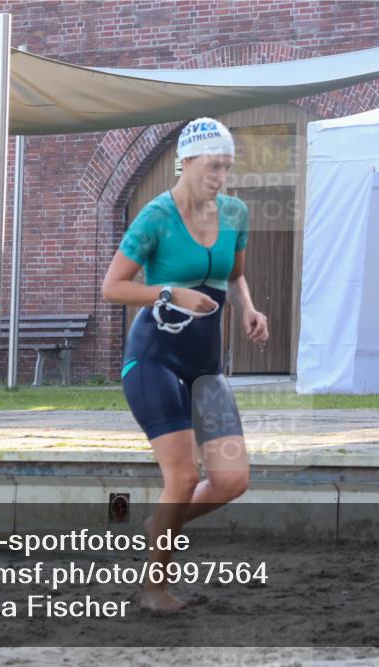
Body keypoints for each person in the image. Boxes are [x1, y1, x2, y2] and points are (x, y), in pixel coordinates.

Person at [101, 117, 270, 611]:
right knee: (180, 476)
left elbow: (233, 277)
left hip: (205, 366)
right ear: (188, 161)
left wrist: (249, 309)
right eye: (213, 166)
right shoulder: (156, 217)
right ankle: (155, 589)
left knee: (232, 480)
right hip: (155, 359)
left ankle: (162, 524)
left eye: (227, 167)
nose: (221, 176)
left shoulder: (235, 212)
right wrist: (169, 291)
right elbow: (114, 287)